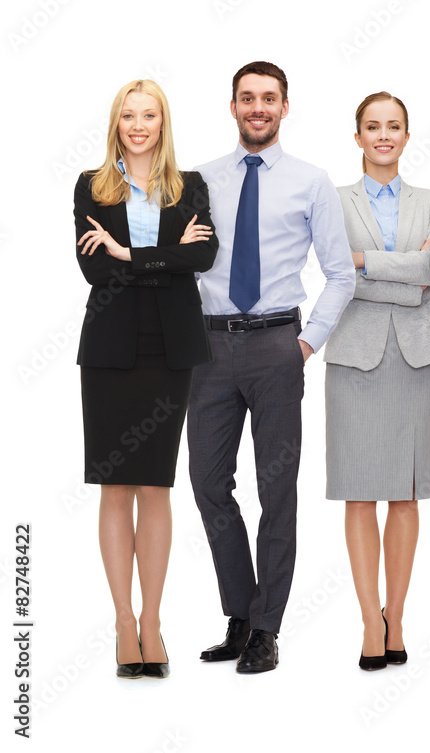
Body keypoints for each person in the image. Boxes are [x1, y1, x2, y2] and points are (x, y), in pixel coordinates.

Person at [190, 61, 355, 674]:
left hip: (277, 348)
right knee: (208, 483)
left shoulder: (311, 181)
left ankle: (267, 627)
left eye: (269, 98)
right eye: (247, 98)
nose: (257, 108)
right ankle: (240, 613)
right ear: (232, 106)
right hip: (207, 349)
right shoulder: (199, 179)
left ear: (285, 107)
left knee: (275, 489)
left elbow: (341, 274)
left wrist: (306, 343)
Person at [75, 79, 218, 679]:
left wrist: (129, 252)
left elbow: (203, 259)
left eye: (149, 115)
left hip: (170, 349)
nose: (138, 125)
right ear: (116, 123)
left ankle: (153, 623)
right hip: (109, 350)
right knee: (115, 488)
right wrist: (163, 253)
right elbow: (91, 269)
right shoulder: (91, 186)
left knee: (156, 486)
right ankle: (122, 623)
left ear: (164, 123)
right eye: (128, 115)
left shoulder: (192, 187)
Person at [323, 91, 430, 670]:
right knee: (358, 490)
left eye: (393, 126)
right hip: (354, 354)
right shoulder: (334, 199)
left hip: (415, 356)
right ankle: (367, 618)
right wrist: (406, 271)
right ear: (357, 137)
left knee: (405, 490)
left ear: (406, 135)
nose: (382, 135)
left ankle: (395, 619)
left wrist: (366, 261)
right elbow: (333, 271)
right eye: (372, 126)